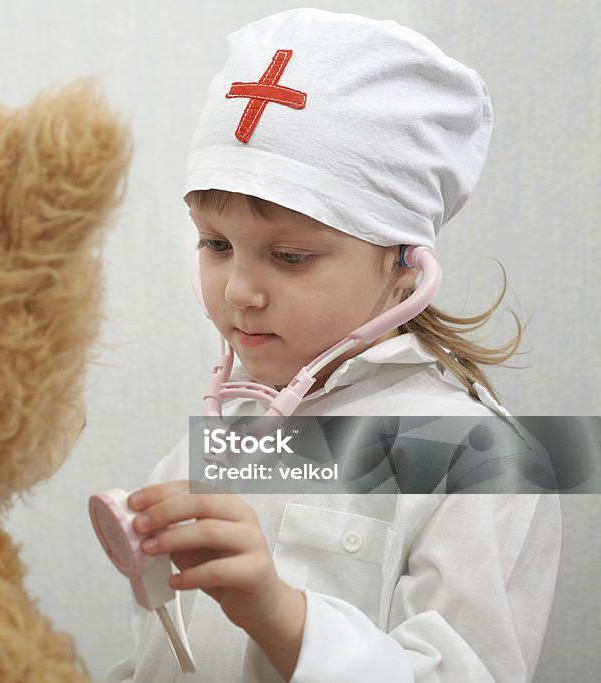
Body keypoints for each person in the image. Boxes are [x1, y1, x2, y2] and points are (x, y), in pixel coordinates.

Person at [104, 9, 560, 682]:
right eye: (216, 243)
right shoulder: (229, 431)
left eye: (289, 256)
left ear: (405, 263)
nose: (239, 290)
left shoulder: (480, 461)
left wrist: (282, 618)